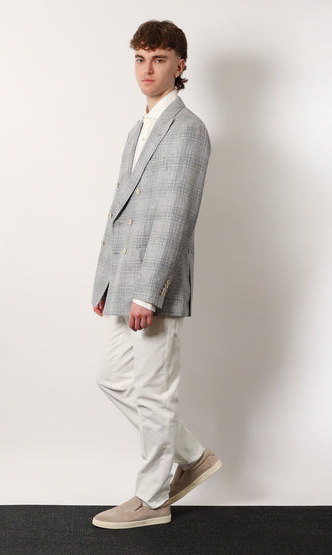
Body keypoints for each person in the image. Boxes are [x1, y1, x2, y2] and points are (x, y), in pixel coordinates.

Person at [91, 19, 222, 529]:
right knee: (110, 375)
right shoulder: (137, 129)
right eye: (141, 58)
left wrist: (148, 293)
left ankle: (152, 499)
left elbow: (175, 216)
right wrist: (105, 282)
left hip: (154, 286)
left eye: (159, 59)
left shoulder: (188, 130)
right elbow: (120, 211)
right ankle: (193, 456)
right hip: (122, 281)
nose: (147, 69)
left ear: (180, 65)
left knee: (153, 391)